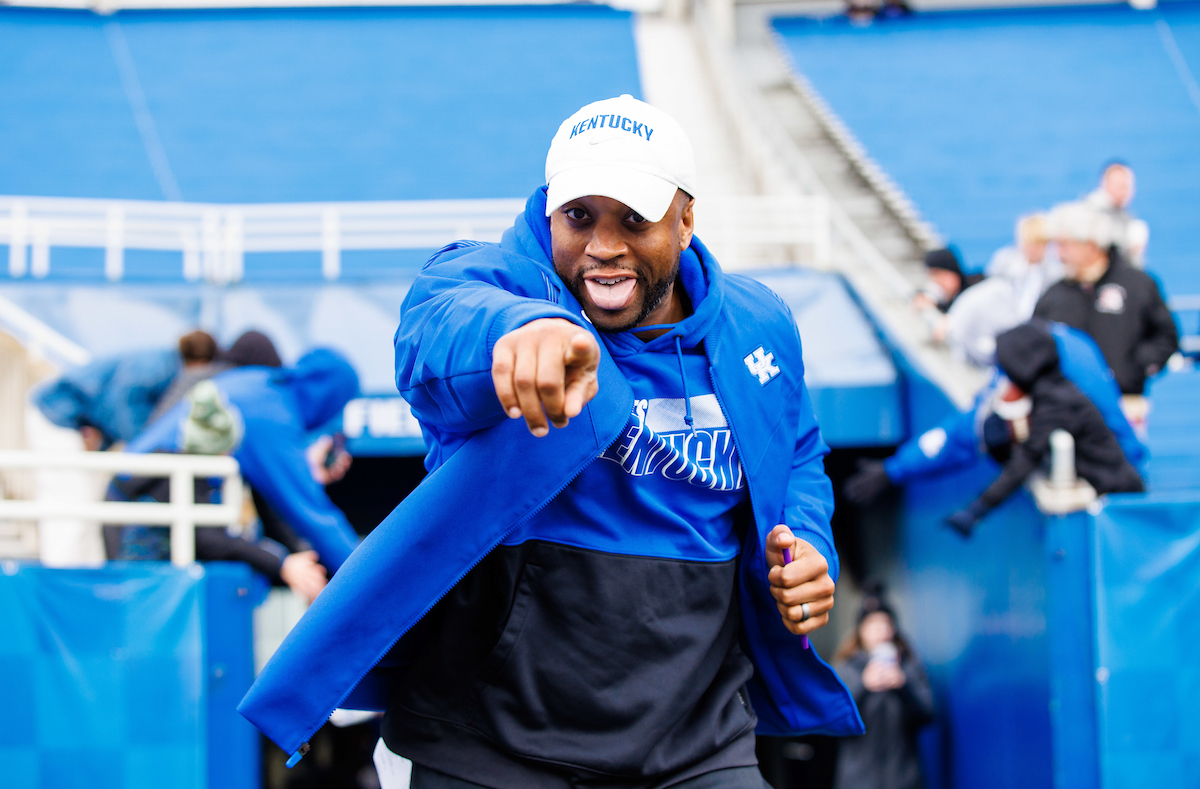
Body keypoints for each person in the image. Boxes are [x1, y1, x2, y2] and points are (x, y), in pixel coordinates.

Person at [239, 95, 864, 788]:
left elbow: (798, 453)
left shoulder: (759, 322)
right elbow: (438, 331)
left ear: (685, 221)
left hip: (698, 739)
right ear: (547, 215)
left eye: (634, 218)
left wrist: (807, 542)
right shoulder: (488, 285)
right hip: (492, 744)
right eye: (579, 216)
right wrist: (521, 332)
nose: (602, 245)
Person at [114, 348, 362, 575]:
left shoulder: (261, 384)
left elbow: (272, 502)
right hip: (142, 500)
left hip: (137, 487)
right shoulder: (274, 414)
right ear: (330, 397)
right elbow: (311, 512)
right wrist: (367, 576)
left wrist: (295, 556)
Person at [843, 322, 1146, 508]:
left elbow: (968, 435)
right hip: (1122, 481)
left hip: (1113, 494)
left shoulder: (1048, 374)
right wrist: (896, 468)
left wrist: (896, 470)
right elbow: (965, 432)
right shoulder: (1059, 348)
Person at [945, 323, 1144, 537]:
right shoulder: (1053, 391)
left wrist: (978, 509)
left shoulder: (1056, 402)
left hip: (1119, 502)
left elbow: (1027, 459)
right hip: (1115, 495)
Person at [1033, 202, 1177, 411]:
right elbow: (1033, 343)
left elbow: (1166, 335)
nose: (1058, 254)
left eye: (1065, 245)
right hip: (1068, 407)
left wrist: (1135, 368)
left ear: (1091, 245)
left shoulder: (1137, 284)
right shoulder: (1054, 294)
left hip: (1124, 403)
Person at [833, 584, 932, 789]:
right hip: (858, 782)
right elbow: (833, 719)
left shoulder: (909, 667)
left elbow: (928, 714)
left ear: (893, 629)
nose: (879, 630)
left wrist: (903, 686)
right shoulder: (846, 669)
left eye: (885, 623)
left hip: (903, 781)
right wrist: (863, 685)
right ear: (860, 631)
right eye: (872, 624)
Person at [32, 336, 198, 450]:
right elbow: (122, 404)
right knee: (67, 492)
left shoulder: (163, 363)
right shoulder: (158, 367)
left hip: (72, 416)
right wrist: (144, 445)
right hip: (56, 413)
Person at [946, 214, 1064, 367]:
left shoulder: (1056, 273)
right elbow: (985, 296)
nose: (1033, 249)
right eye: (1030, 243)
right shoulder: (1005, 262)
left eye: (1039, 244)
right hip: (1003, 330)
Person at [1085, 162, 1149, 266]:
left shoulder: (1127, 217)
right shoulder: (1090, 213)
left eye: (1127, 186)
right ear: (1105, 184)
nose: (1124, 191)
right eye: (1120, 185)